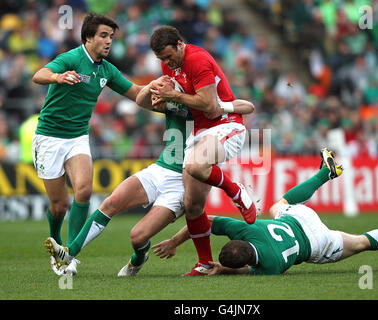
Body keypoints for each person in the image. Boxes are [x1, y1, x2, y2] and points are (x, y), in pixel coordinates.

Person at [44, 74, 255, 276]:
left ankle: (140, 255)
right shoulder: (172, 104)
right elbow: (140, 100)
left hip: (183, 183)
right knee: (110, 203)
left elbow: (247, 106)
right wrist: (154, 85)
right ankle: (69, 253)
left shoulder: (206, 106)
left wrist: (219, 106)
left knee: (137, 237)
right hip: (160, 170)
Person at [152, 150, 378, 275]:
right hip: (298, 219)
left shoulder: (269, 265)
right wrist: (175, 240)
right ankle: (325, 174)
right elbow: (205, 220)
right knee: (277, 206)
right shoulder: (244, 229)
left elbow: (243, 272)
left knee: (361, 242)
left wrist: (221, 269)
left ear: (249, 261)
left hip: (316, 243)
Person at [33, 13, 144, 274]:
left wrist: (164, 95)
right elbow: (40, 74)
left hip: (77, 137)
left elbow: (136, 93)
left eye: (111, 37)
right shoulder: (72, 58)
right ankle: (55, 239)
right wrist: (57, 78)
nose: (109, 42)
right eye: (103, 36)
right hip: (49, 137)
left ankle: (67, 255)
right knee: (59, 206)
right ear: (88, 38)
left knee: (83, 191)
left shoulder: (106, 69)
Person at [148, 25, 258, 276]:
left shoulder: (197, 60)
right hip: (199, 131)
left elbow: (208, 104)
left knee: (195, 166)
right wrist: (163, 100)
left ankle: (235, 190)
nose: (167, 62)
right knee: (192, 204)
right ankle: (205, 263)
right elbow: (179, 98)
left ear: (179, 44)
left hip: (225, 125)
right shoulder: (170, 64)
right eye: (162, 59)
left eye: (169, 56)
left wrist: (174, 94)